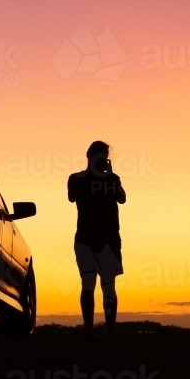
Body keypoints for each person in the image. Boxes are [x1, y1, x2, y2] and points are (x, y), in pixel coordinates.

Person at [68, 140, 126, 339]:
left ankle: (109, 331)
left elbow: (122, 198)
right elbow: (72, 197)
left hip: (108, 238)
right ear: (90, 157)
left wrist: (107, 176)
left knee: (108, 285)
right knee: (89, 284)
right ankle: (90, 331)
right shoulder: (76, 179)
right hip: (86, 238)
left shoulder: (113, 179)